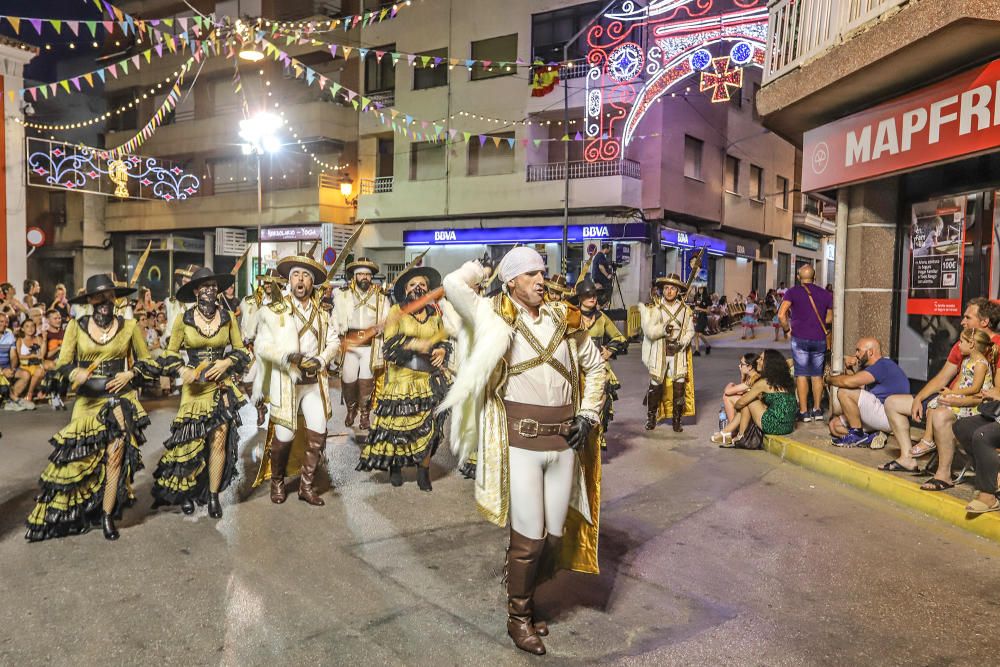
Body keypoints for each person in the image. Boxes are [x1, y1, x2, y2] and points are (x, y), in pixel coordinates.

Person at [440, 247, 606, 655]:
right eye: (531, 273)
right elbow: (452, 286)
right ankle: (518, 617)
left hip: (564, 440)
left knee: (554, 535)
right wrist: (479, 269)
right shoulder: (493, 315)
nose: (541, 279)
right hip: (520, 442)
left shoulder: (562, 317)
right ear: (512, 280)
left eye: (543, 272)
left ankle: (528, 599)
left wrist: (587, 414)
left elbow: (596, 365)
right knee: (529, 539)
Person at [25, 274, 157, 541]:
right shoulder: (76, 325)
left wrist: (130, 374)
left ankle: (107, 515)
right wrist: (76, 374)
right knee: (80, 460)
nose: (104, 301)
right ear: (90, 300)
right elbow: (63, 363)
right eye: (98, 296)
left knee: (116, 453)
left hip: (119, 399)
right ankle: (81, 508)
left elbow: (147, 363)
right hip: (86, 402)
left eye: (109, 295)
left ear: (115, 299)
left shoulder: (130, 327)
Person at [151, 268, 251, 518]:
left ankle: (214, 495)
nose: (210, 290)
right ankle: (187, 492)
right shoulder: (183, 319)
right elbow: (170, 354)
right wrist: (182, 368)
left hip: (221, 386)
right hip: (194, 389)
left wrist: (226, 363)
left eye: (213, 286)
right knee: (190, 442)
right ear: (195, 291)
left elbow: (241, 351)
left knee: (218, 440)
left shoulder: (228, 317)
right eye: (204, 286)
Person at [252, 251, 340, 507]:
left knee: (318, 433)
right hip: (286, 383)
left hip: (314, 382)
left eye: (306, 276)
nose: (300, 280)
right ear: (289, 281)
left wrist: (322, 360)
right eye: (296, 276)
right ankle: (277, 481)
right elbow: (262, 345)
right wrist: (287, 357)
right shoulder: (274, 309)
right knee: (285, 436)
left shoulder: (323, 312)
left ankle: (306, 486)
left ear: (312, 283)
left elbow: (334, 341)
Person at [356, 265, 452, 490]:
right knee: (399, 429)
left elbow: (442, 339)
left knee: (431, 428)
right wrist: (414, 344)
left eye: (423, 285)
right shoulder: (396, 312)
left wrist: (441, 350)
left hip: (429, 381)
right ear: (405, 290)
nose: (418, 288)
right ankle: (396, 467)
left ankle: (423, 471)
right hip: (401, 381)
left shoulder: (435, 313)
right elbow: (389, 347)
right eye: (413, 285)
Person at [880, 298, 1000, 475]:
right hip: (949, 395)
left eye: (967, 317)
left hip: (968, 402)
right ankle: (907, 458)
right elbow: (942, 377)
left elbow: (994, 390)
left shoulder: (996, 346)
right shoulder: (962, 345)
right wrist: (919, 398)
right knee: (892, 403)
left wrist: (956, 398)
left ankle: (943, 472)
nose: (962, 321)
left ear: (984, 322)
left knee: (939, 411)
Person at [911, 328, 995, 463]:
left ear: (971, 344)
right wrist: (949, 395)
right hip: (962, 394)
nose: (959, 345)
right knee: (935, 403)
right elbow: (961, 381)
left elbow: (975, 388)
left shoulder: (981, 364)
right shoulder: (967, 361)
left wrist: (954, 394)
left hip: (976, 402)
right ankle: (927, 439)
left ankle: (929, 440)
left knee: (944, 407)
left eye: (961, 342)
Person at [571, 277, 627, 449]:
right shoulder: (572, 316)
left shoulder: (601, 317)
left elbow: (619, 337)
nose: (592, 298)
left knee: (600, 402)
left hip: (600, 367)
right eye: (588, 295)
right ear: (580, 298)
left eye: (594, 295)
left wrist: (609, 350)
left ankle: (597, 437)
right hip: (576, 366)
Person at [334, 257, 389, 431]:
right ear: (355, 277)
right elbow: (334, 319)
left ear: (371, 277)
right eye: (361, 274)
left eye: (367, 274)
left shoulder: (381, 298)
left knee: (366, 381)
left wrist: (382, 326)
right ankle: (351, 409)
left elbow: (388, 320)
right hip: (350, 345)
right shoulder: (343, 296)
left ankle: (365, 414)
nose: (364, 277)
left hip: (370, 346)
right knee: (348, 380)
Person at [825, 338, 910, 449]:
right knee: (834, 426)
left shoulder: (882, 365)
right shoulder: (873, 369)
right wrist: (849, 368)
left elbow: (848, 383)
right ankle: (869, 437)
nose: (856, 354)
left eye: (858, 350)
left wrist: (827, 379)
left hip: (890, 415)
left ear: (870, 352)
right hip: (878, 414)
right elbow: (855, 386)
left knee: (844, 391)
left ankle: (857, 435)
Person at [640, 274, 695, 432]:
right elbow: (649, 332)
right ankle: (651, 417)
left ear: (678, 291)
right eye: (666, 288)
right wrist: (662, 330)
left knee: (679, 388)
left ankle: (677, 420)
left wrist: (683, 342)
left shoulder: (685, 310)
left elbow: (690, 331)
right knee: (655, 385)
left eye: (672, 288)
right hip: (659, 351)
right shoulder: (655, 308)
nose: (669, 291)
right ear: (662, 290)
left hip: (678, 352)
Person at [778, 264, 833, 422]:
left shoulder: (792, 292)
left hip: (799, 339)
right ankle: (817, 409)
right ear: (815, 278)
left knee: (801, 374)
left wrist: (787, 330)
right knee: (817, 375)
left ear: (798, 277)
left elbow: (781, 315)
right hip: (819, 339)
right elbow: (829, 319)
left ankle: (803, 411)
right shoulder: (825, 294)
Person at [725, 350, 797, 448]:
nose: (758, 361)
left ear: (769, 364)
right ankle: (728, 432)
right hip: (789, 426)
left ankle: (739, 435)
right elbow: (789, 362)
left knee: (747, 401)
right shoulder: (785, 379)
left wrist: (737, 408)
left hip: (773, 426)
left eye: (762, 359)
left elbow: (741, 402)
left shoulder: (763, 383)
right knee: (750, 400)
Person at [711, 352, 760, 445]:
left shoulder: (755, 377)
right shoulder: (751, 376)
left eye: (742, 364)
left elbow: (728, 391)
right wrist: (742, 376)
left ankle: (731, 431)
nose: (740, 366)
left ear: (749, 367)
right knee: (732, 397)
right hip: (753, 407)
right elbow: (743, 392)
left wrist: (730, 385)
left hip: (755, 409)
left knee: (727, 397)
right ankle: (730, 430)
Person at [11, 318, 45, 409]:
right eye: (27, 326)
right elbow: (19, 356)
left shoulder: (38, 339)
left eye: (32, 326)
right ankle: (36, 391)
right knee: (29, 373)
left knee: (40, 371)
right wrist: (32, 356)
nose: (30, 328)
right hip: (24, 366)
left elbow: (42, 355)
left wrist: (44, 340)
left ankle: (29, 393)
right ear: (22, 329)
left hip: (37, 365)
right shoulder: (19, 340)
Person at [0, 312, 16, 409]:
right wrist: (1, 371)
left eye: (6, 322)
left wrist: (12, 368)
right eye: (1, 321)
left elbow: (13, 356)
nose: (4, 324)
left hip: (6, 366)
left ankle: (9, 399)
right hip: (1, 369)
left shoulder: (10, 335)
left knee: (24, 375)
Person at [691, 287, 713, 356]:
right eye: (699, 289)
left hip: (703, 317)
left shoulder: (707, 298)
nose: (700, 290)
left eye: (701, 289)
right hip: (696, 316)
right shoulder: (696, 296)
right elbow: (693, 303)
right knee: (696, 334)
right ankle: (699, 350)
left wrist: (700, 308)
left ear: (704, 290)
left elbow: (708, 311)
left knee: (698, 334)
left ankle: (705, 347)